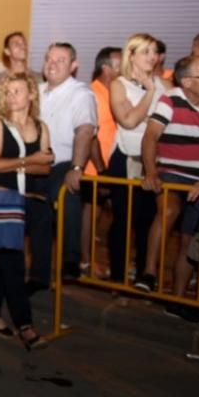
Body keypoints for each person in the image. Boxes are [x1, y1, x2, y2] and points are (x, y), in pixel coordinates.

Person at [142, 55, 199, 324]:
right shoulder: (171, 100)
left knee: (191, 240)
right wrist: (151, 171)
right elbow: (150, 136)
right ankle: (149, 274)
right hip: (172, 171)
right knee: (168, 210)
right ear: (187, 82)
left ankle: (176, 300)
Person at [0, 74, 53, 349]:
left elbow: (45, 167)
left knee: (1, 255)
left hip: (32, 198)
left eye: (17, 91)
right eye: (8, 92)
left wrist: (21, 163)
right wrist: (29, 161)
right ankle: (25, 325)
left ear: (31, 94)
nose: (12, 96)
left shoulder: (40, 126)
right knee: (12, 259)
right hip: (3, 198)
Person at [35, 42, 98, 289]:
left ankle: (71, 260)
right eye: (49, 58)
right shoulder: (36, 91)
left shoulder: (81, 93)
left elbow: (85, 130)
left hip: (62, 163)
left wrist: (76, 167)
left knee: (67, 197)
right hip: (34, 166)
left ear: (73, 66)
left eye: (60, 60)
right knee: (38, 221)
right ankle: (39, 276)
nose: (52, 64)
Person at [108, 35, 167, 288]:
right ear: (131, 55)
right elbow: (129, 121)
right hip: (126, 157)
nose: (152, 57)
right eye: (145, 51)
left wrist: (151, 94)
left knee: (148, 220)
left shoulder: (165, 85)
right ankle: (118, 280)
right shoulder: (119, 84)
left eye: (154, 52)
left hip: (154, 160)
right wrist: (150, 93)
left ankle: (145, 276)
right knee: (123, 220)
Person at [82, 46, 121, 276]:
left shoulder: (114, 91)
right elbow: (91, 134)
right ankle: (86, 261)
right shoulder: (93, 93)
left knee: (112, 218)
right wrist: (100, 167)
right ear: (106, 67)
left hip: (113, 166)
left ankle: (110, 262)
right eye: (119, 65)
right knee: (91, 214)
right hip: (95, 167)